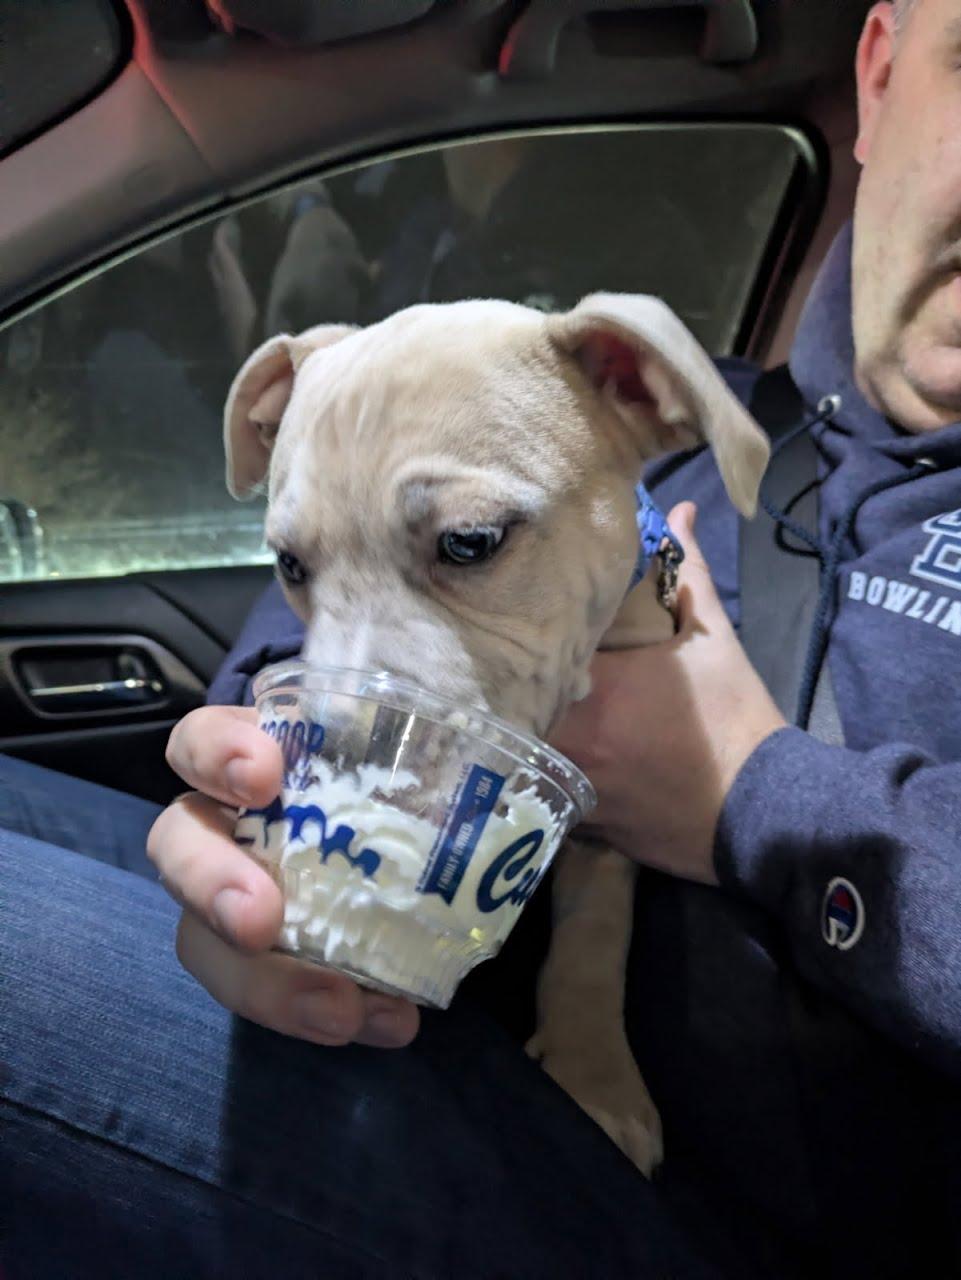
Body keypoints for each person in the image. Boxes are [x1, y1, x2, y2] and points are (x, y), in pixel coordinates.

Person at [3, 0, 961, 1275]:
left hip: (692, 1206)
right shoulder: (685, 409)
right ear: (882, 64)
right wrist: (243, 787)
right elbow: (304, 653)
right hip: (430, 1006)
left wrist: (744, 793)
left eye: (465, 543)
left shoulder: (609, 415)